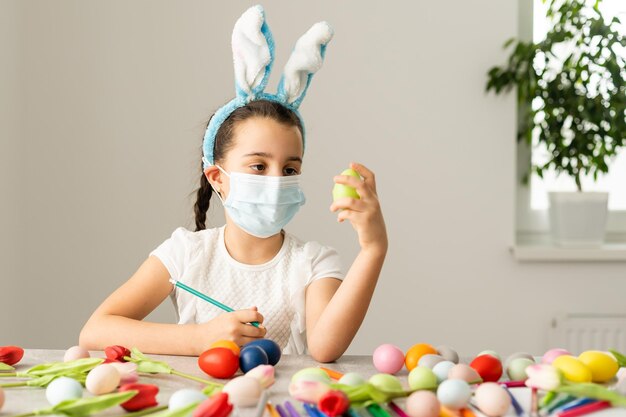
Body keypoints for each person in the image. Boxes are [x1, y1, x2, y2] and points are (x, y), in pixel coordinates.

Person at [79, 6, 387, 362]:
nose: (275, 181)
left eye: (289, 169)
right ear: (218, 178)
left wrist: (373, 248)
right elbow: (96, 331)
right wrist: (200, 338)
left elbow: (325, 347)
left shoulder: (312, 263)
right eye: (258, 165)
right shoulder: (186, 255)